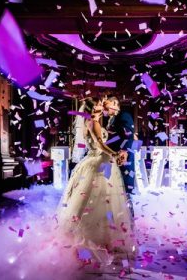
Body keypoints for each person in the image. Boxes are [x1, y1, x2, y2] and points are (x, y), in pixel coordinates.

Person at [57, 97, 136, 264]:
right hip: (101, 162)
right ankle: (97, 239)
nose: (103, 104)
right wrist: (114, 154)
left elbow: (122, 137)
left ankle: (101, 238)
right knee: (100, 202)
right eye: (100, 104)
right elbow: (100, 144)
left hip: (99, 162)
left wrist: (122, 150)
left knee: (98, 202)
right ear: (93, 109)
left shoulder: (96, 122)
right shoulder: (94, 122)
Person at [102, 96, 136, 218]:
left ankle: (129, 220)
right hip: (114, 157)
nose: (105, 109)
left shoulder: (124, 115)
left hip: (123, 157)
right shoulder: (112, 119)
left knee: (125, 189)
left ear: (115, 104)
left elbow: (129, 135)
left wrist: (124, 151)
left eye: (108, 106)